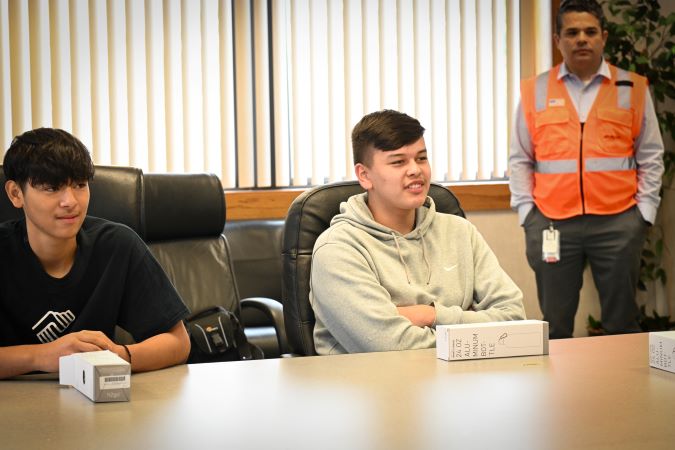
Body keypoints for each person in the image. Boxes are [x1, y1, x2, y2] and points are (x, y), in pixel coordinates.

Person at [310, 109, 526, 355]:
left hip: (459, 383)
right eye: (398, 161)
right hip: (369, 387)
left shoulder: (460, 232)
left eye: (421, 158)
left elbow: (515, 319)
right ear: (365, 175)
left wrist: (430, 314)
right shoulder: (338, 249)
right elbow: (390, 346)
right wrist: (473, 326)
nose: (415, 170)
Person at [508, 0, 664, 339]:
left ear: (603, 37)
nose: (582, 39)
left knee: (622, 324)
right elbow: (520, 158)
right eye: (572, 32)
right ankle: (560, 393)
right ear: (557, 39)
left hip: (619, 221)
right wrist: (527, 214)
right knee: (556, 326)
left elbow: (651, 156)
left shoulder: (633, 88)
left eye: (590, 32)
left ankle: (622, 392)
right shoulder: (535, 90)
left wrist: (643, 215)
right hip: (550, 221)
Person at [0, 128, 191, 379]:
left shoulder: (117, 245)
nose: (70, 201)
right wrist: (43, 355)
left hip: (96, 403)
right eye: (52, 188)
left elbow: (178, 342)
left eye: (79, 185)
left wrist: (117, 355)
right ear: (16, 194)